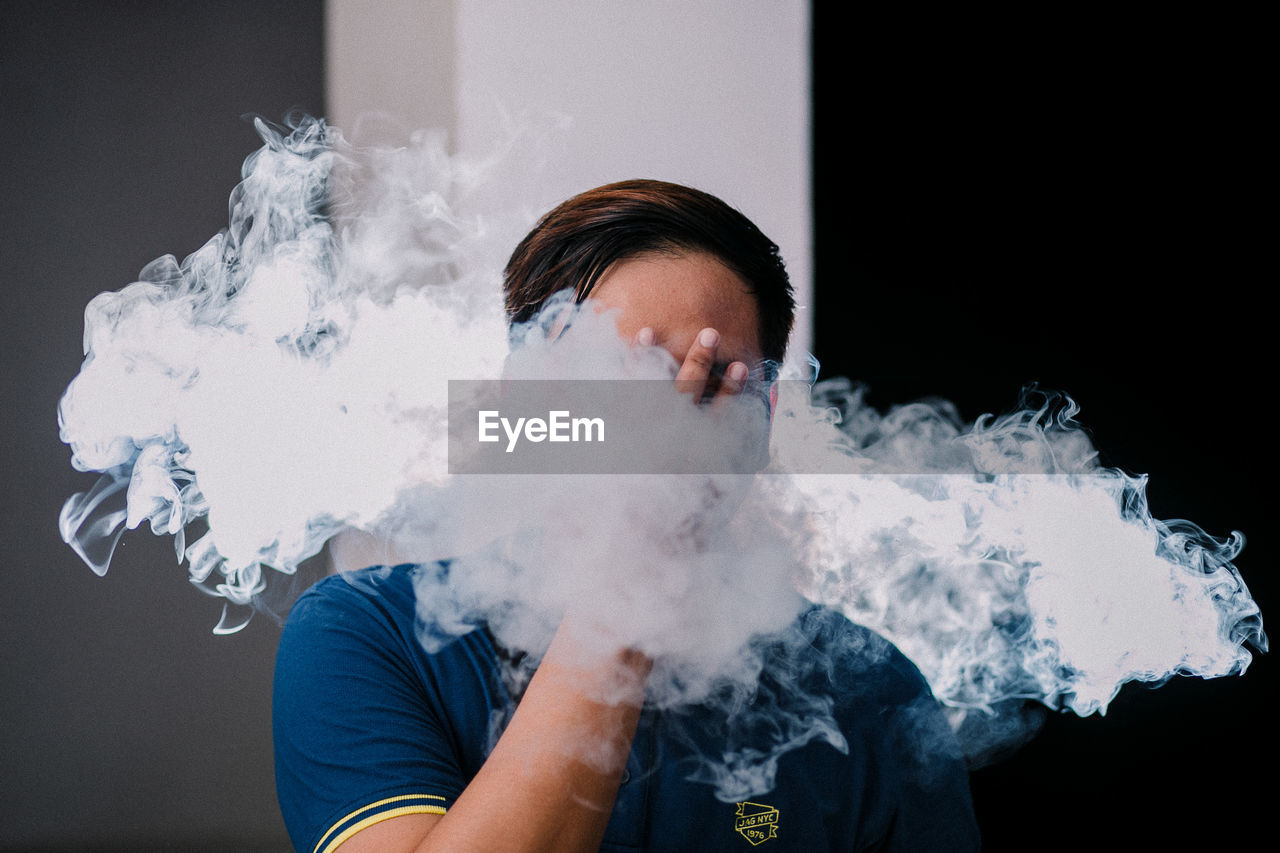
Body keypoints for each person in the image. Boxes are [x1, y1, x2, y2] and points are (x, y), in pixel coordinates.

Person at [272, 180, 980, 852]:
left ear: (762, 421)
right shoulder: (367, 634)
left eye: (705, 386)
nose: (658, 424)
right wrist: (634, 566)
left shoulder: (870, 697)